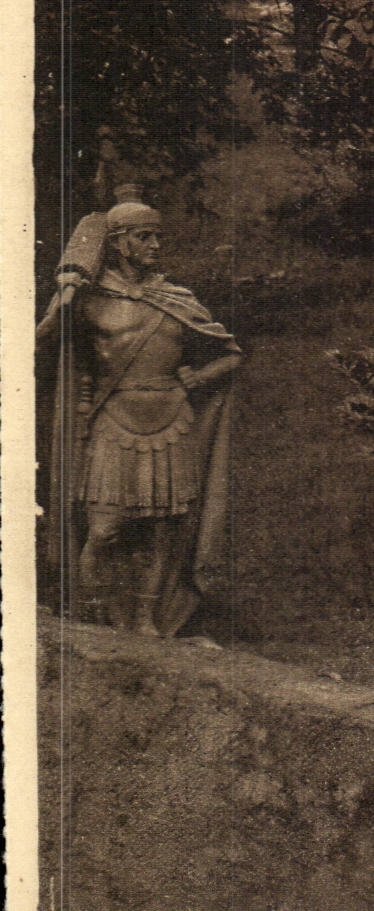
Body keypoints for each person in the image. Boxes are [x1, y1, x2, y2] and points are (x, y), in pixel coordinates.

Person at [37, 185, 243, 636]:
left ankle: (148, 616)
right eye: (144, 237)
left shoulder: (177, 300)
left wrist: (199, 379)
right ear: (118, 243)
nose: (156, 246)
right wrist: (64, 296)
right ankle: (94, 613)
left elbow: (231, 354)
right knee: (105, 529)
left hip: (172, 424)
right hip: (113, 424)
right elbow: (43, 345)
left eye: (157, 237)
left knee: (163, 530)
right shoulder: (90, 302)